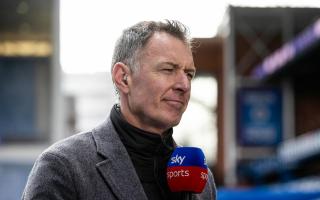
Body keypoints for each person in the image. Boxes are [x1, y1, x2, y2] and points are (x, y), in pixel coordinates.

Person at [22, 20, 217, 200]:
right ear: (123, 78)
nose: (184, 85)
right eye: (168, 69)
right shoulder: (64, 167)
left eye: (189, 74)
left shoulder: (203, 179)